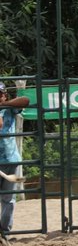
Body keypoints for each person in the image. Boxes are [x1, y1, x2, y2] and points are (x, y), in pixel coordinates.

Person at [0, 82, 29, 234]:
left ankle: (4, 232)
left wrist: (4, 104)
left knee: (9, 199)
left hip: (11, 159)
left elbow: (25, 100)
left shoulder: (9, 108)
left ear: (4, 95)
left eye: (0, 94)